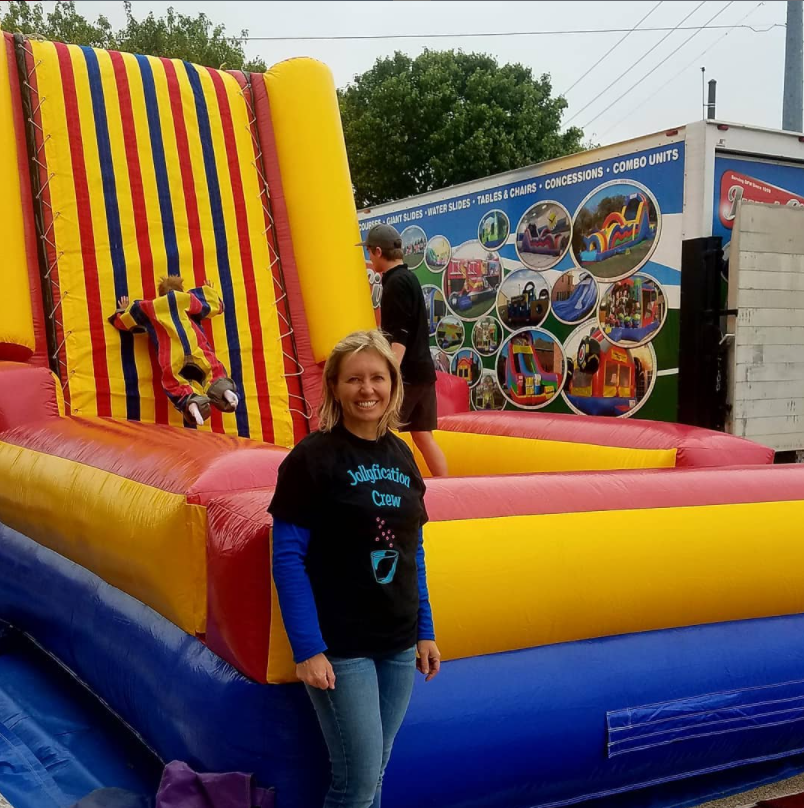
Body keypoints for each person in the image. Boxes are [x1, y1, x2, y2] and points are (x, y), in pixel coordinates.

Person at [268, 330, 441, 808]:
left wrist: (424, 629)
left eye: (377, 378)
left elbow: (412, 551)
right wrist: (308, 649)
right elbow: (287, 558)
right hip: (341, 645)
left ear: (393, 384)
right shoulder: (312, 458)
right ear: (335, 388)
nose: (367, 389)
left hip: (399, 641)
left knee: (375, 775)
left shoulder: (403, 455)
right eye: (354, 380)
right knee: (357, 783)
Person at [358, 224, 448, 477]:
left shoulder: (395, 284)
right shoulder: (410, 278)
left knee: (380, 430)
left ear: (378, 252)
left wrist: (388, 375)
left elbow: (400, 336)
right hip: (423, 371)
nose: (370, 258)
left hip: (407, 374)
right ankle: (449, 489)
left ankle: (389, 483)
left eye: (370, 253)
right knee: (422, 435)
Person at [108, 276, 238, 425]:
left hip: (171, 355)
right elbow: (212, 305)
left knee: (175, 382)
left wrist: (121, 310)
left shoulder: (149, 307)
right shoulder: (188, 299)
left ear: (161, 293)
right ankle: (225, 392)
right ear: (181, 290)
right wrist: (210, 291)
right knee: (212, 369)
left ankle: (193, 404)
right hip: (195, 347)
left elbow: (126, 320)